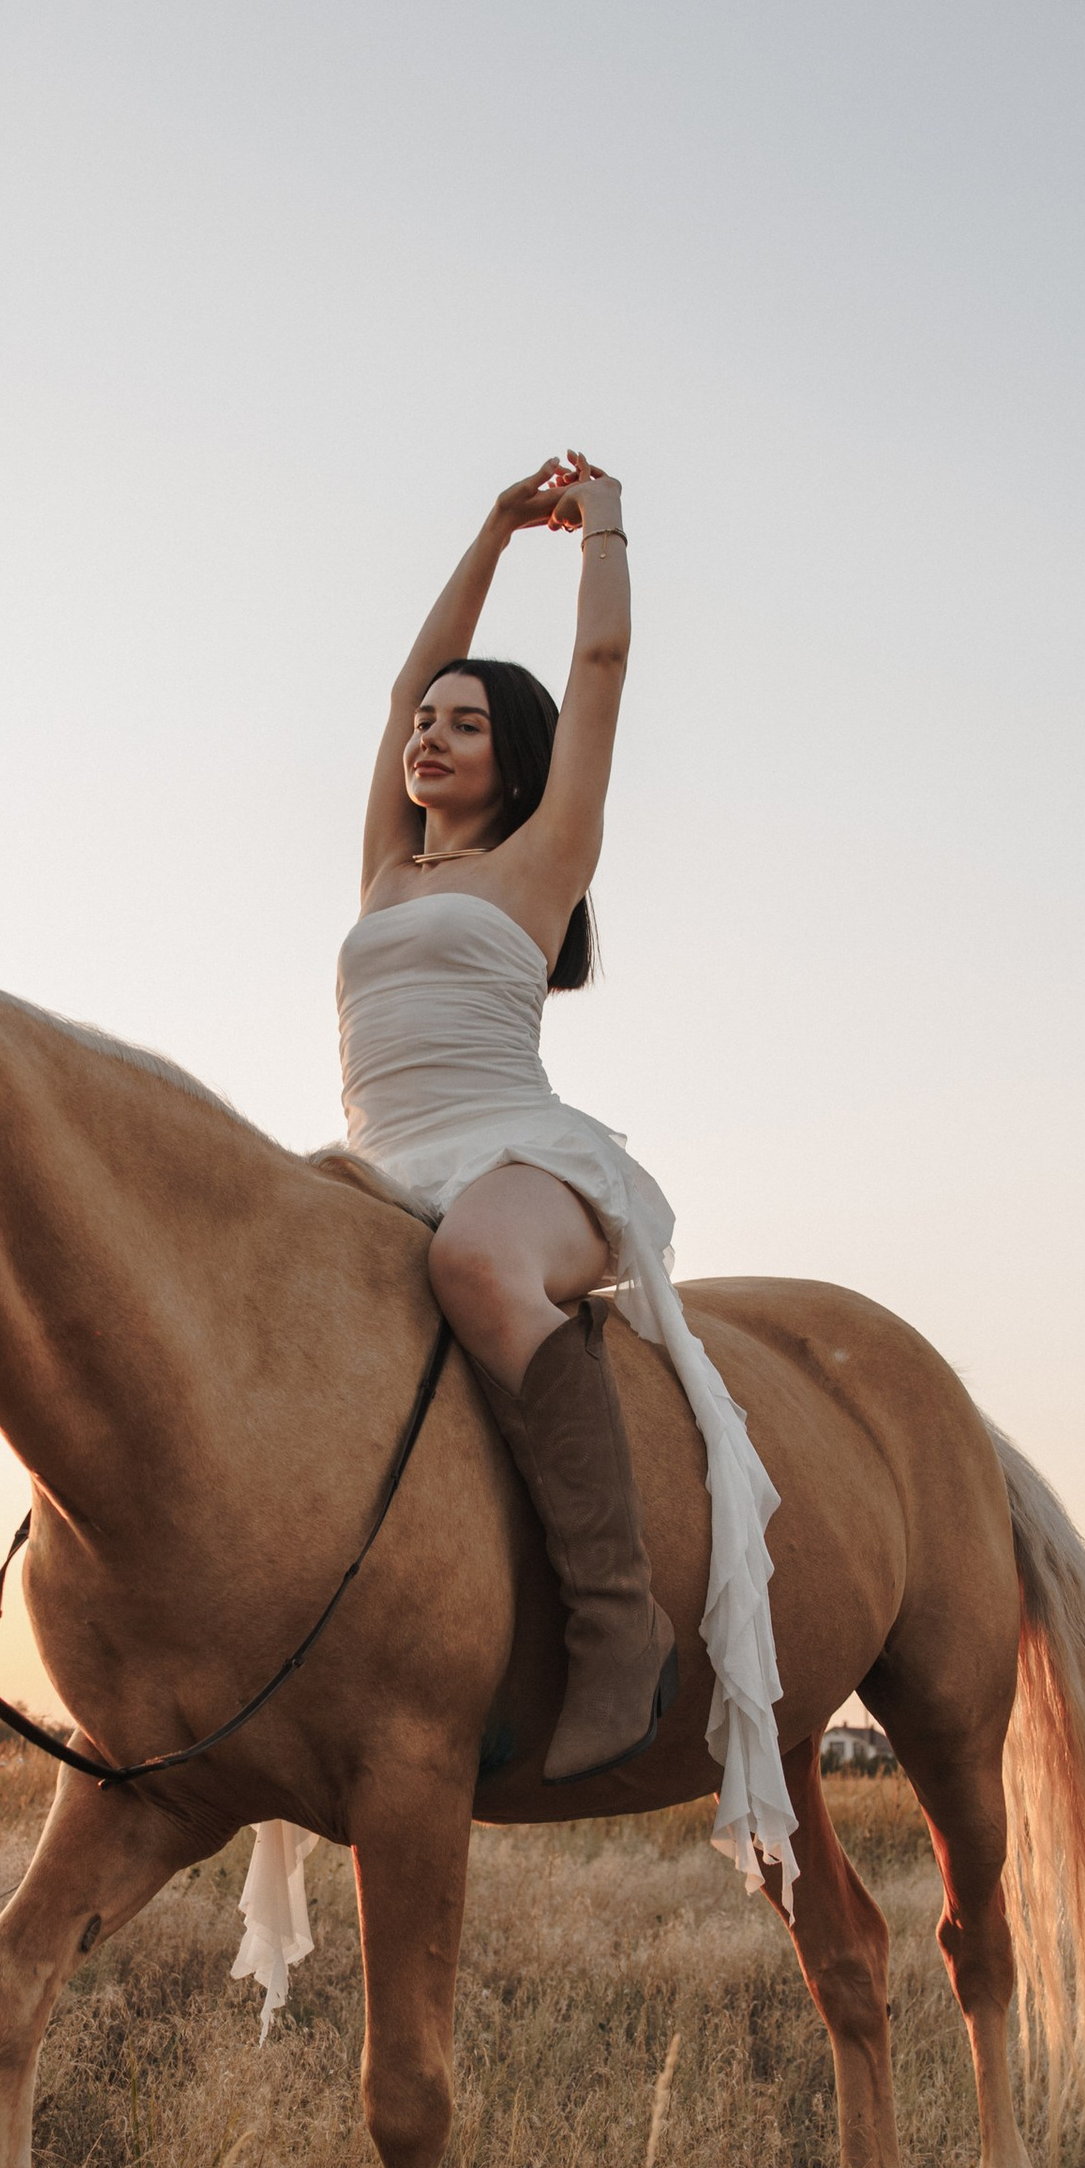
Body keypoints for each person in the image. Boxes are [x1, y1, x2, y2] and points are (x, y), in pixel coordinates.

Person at [337, 453, 798, 1873]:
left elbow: (598, 659)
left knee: (474, 1262)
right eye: (424, 723)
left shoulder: (538, 863)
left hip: (518, 1162)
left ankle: (617, 1623)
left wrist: (596, 527)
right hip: (377, 1164)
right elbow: (407, 668)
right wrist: (482, 528)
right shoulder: (388, 873)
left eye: (464, 725)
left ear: (513, 760)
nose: (429, 734)